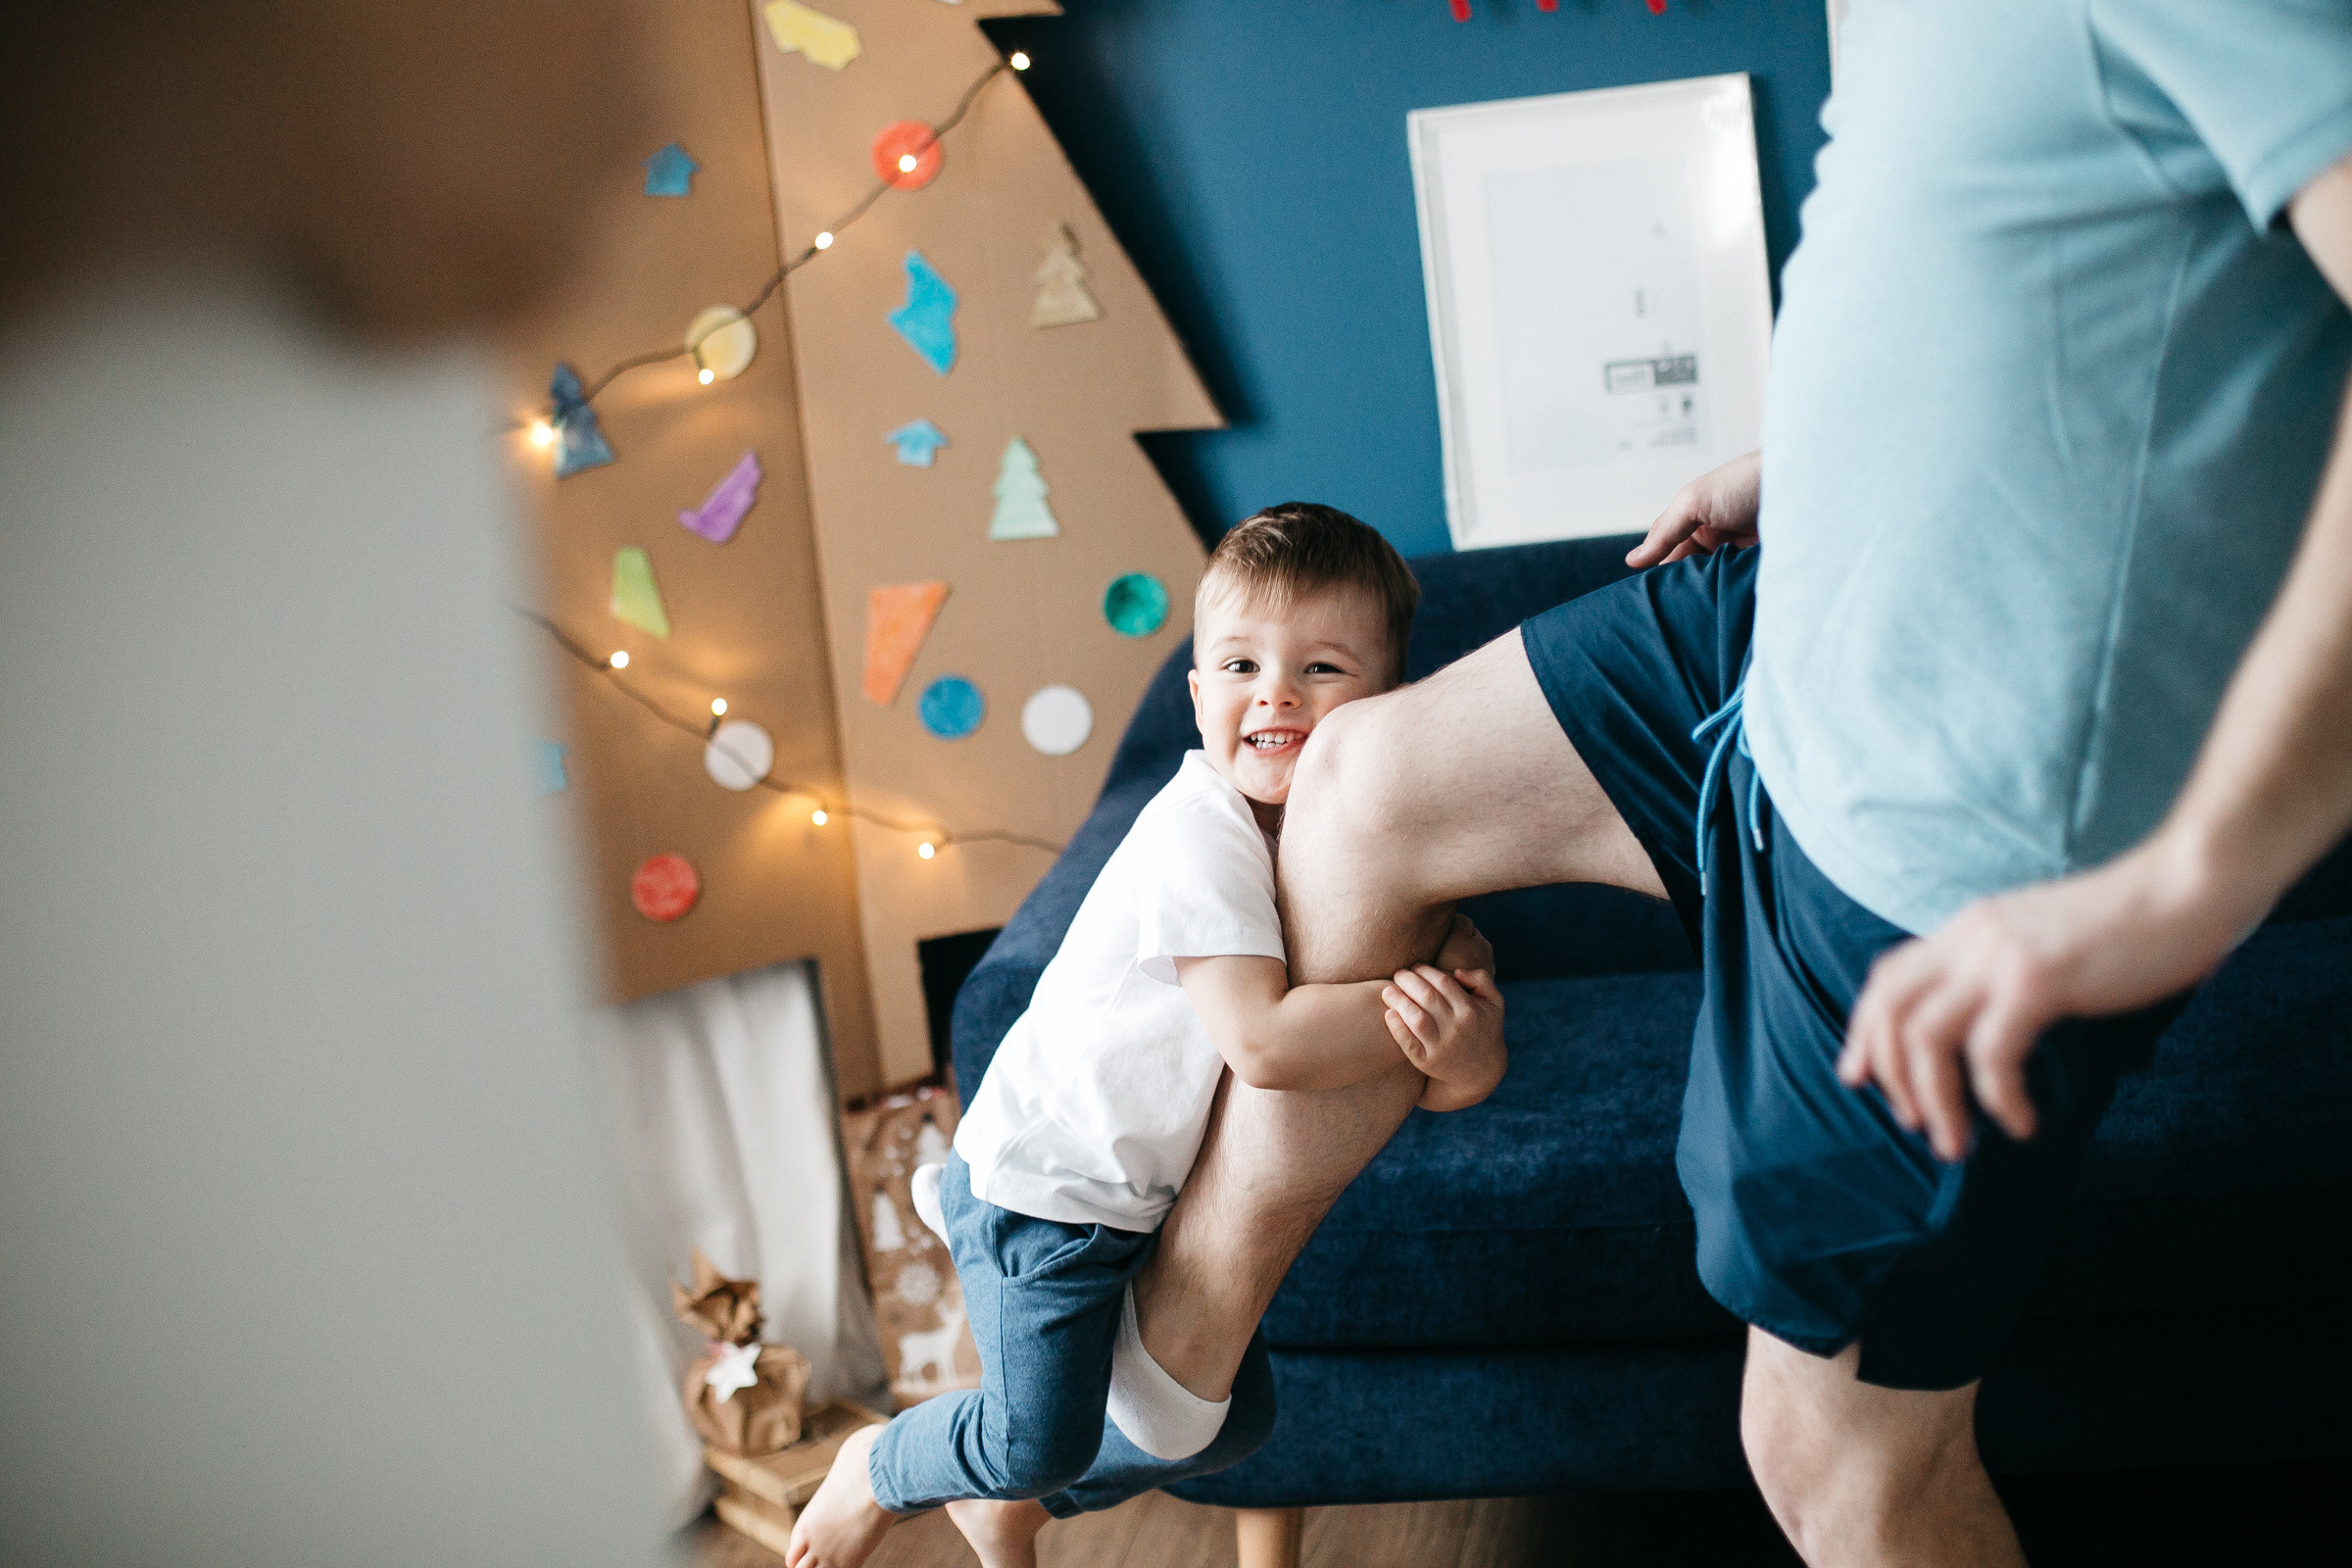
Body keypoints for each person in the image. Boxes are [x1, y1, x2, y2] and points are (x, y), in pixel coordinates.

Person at [1119, 8, 2352, 1566]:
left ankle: (1125, 1396)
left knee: (1834, 1453)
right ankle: (1167, 1359)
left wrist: (2192, 878)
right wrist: (1815, 457)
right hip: (1788, 619)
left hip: (1946, 805)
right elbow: (2041, 259)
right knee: (1364, 775)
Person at [787, 506, 1505, 1568]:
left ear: (1389, 704)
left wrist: (1467, 1048)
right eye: (1243, 664)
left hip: (1138, 1206)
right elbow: (1263, 1042)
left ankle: (1008, 1505)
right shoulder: (1201, 831)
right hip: (1042, 1191)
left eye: (1322, 667)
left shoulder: (1354, 856)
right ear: (1201, 695)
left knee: (1237, 1425)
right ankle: (881, 1467)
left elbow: (1430, 1086)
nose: (1277, 693)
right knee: (1034, 1436)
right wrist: (1411, 998)